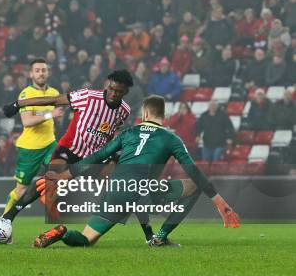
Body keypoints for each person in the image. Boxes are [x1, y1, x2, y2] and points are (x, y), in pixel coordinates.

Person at [33, 95, 240, 249]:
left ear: (145, 114)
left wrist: (64, 176)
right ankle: (159, 237)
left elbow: (96, 157)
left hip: (115, 188)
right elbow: (193, 170)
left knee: (86, 239)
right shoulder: (171, 139)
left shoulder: (129, 133)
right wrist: (218, 200)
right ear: (163, 115)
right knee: (193, 186)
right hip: (142, 188)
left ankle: (63, 232)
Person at [2, 70, 155, 242]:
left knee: (126, 184)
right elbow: (53, 100)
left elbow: (113, 132)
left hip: (94, 158)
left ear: (125, 92)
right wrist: (18, 104)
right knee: (51, 179)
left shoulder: (123, 111)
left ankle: (150, 235)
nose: (114, 94)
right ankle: (8, 217)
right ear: (107, 84)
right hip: (68, 151)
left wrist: (113, 155)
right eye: (112, 89)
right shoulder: (88, 97)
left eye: (119, 92)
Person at [1, 59, 62, 218]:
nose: (41, 73)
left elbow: (55, 116)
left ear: (48, 72)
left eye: (43, 70)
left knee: (61, 169)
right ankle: (5, 221)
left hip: (50, 143)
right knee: (21, 190)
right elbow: (27, 121)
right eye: (37, 70)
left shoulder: (55, 93)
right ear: (31, 74)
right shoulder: (25, 94)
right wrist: (50, 114)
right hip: (30, 148)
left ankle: (48, 199)